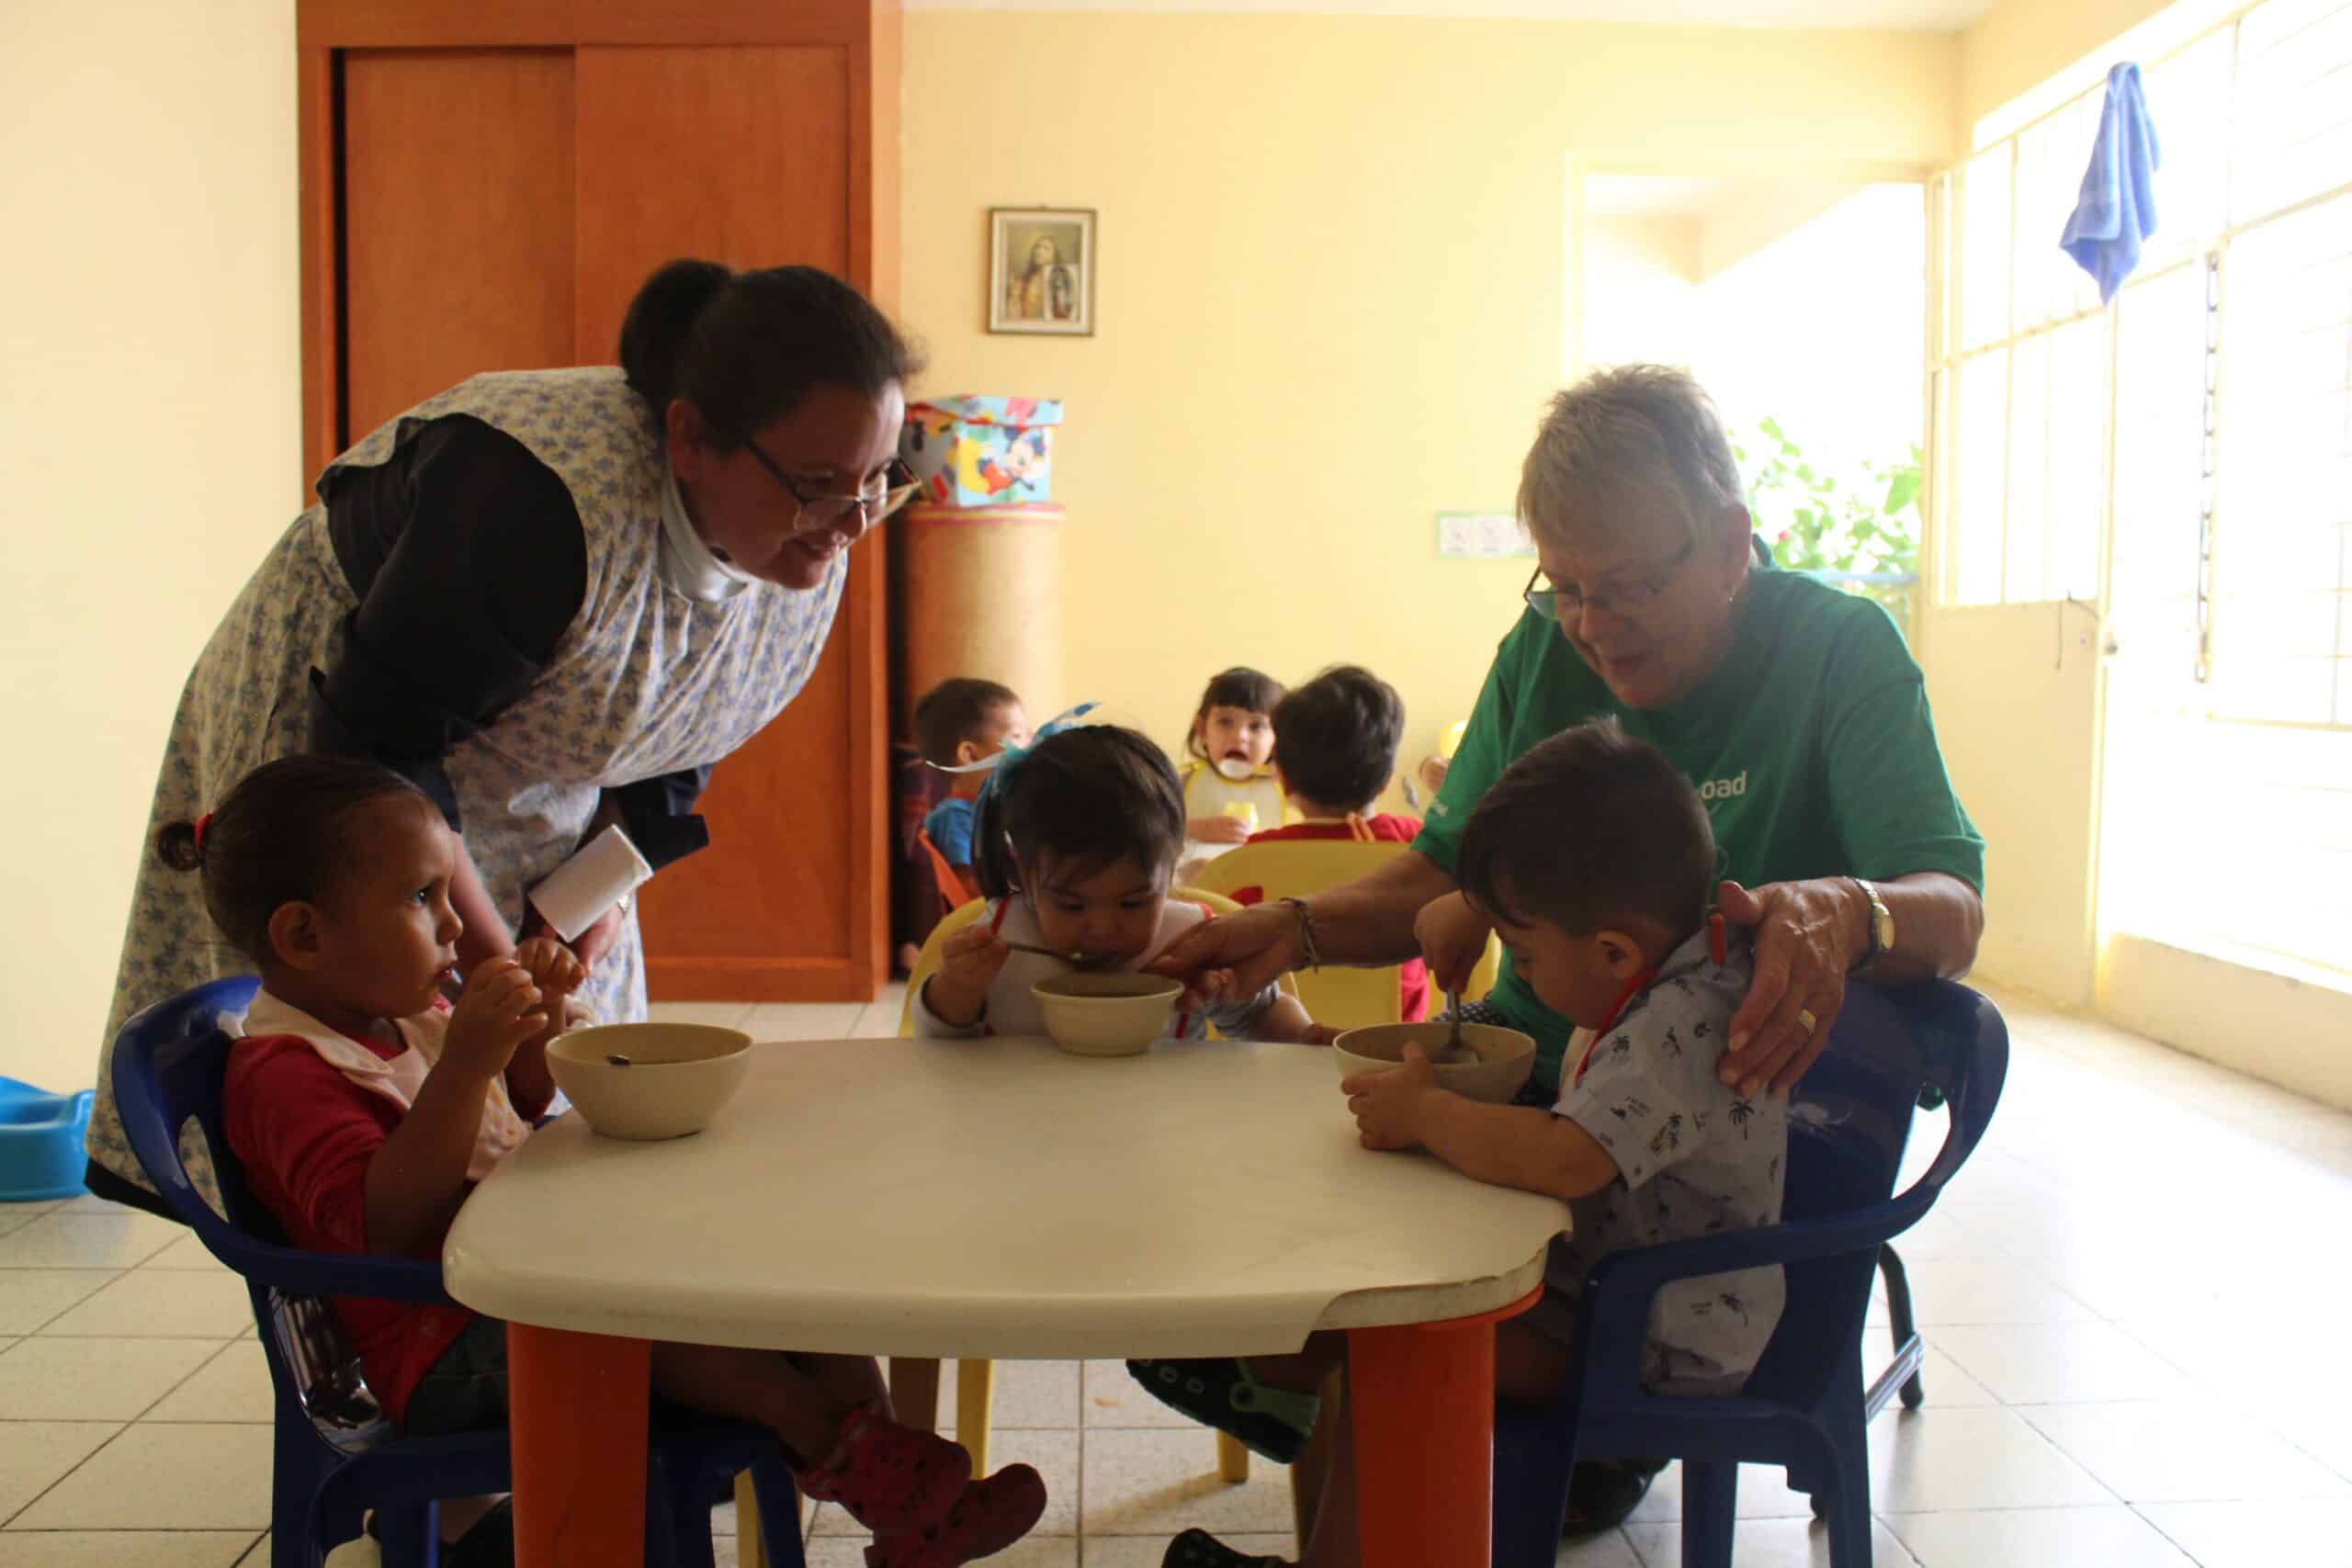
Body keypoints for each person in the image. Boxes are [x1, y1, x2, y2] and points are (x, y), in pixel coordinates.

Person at [1151, 362, 1984, 1530]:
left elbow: (1950, 900)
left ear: (1735, 540)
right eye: (1568, 584)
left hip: (1683, 1143)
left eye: (1633, 582)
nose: (1595, 624)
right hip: (1542, 1064)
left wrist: (1855, 907)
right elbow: (1442, 867)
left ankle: (1468, 1435)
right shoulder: (1546, 645)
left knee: (1376, 1308)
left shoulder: (1838, 652)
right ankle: (1403, 1446)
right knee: (1303, 1196)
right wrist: (1285, 930)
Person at [88, 258, 923, 1214]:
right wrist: (495, 967)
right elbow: (378, 740)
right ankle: (389, 1334)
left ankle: (546, 1296)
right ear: (689, 438)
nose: (852, 524)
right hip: (356, 759)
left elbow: (677, 743)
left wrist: (573, 913)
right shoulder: (537, 500)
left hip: (532, 773)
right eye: (822, 485)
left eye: (879, 482)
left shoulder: (811, 525)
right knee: (372, 1078)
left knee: (549, 1072)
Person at [172, 754, 1046, 1567]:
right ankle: (834, 1442)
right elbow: (385, 1224)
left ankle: (904, 1513)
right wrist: (471, 1057)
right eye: (420, 897)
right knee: (652, 1307)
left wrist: (535, 1023)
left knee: (789, 1283)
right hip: (439, 1337)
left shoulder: (400, 1009)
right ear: (303, 936)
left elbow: (506, 1109)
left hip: (515, 1269)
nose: (452, 922)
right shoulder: (284, 1074)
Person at [1141, 720, 1789, 1568]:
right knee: (1359, 1323)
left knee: (1409, 1354)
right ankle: (1274, 1386)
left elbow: (1566, 1156)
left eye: (1521, 952)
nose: (1514, 969)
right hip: (1596, 1287)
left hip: (1653, 1335)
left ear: (1614, 949)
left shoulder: (1681, 1025)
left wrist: (1428, 1116)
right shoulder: (1667, 966)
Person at [911, 725, 1327, 1044]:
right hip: (1024, 1133)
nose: (1104, 929)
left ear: (1173, 864)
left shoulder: (1195, 944)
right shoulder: (999, 942)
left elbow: (1261, 1016)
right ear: (1023, 874)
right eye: (1073, 907)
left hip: (1162, 1133)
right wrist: (958, 989)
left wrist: (1304, 1037)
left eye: (1133, 903)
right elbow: (941, 1048)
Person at [1233, 665, 1429, 1022]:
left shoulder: (1254, 858)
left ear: (1285, 781)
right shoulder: (1414, 844)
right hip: (1394, 1039)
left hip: (1278, 1037)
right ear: (1386, 779)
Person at [913, 677, 1032, 901]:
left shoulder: (995, 812)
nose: (1028, 747)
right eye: (1017, 736)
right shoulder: (956, 816)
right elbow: (970, 891)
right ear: (970, 755)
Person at [1178, 667, 1288, 852]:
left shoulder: (1287, 787)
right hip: (1197, 878)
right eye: (1226, 722)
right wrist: (1197, 829)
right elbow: (1151, 829)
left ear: (1277, 736)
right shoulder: (1182, 782)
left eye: (1256, 726)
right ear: (1202, 730)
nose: (1240, 736)